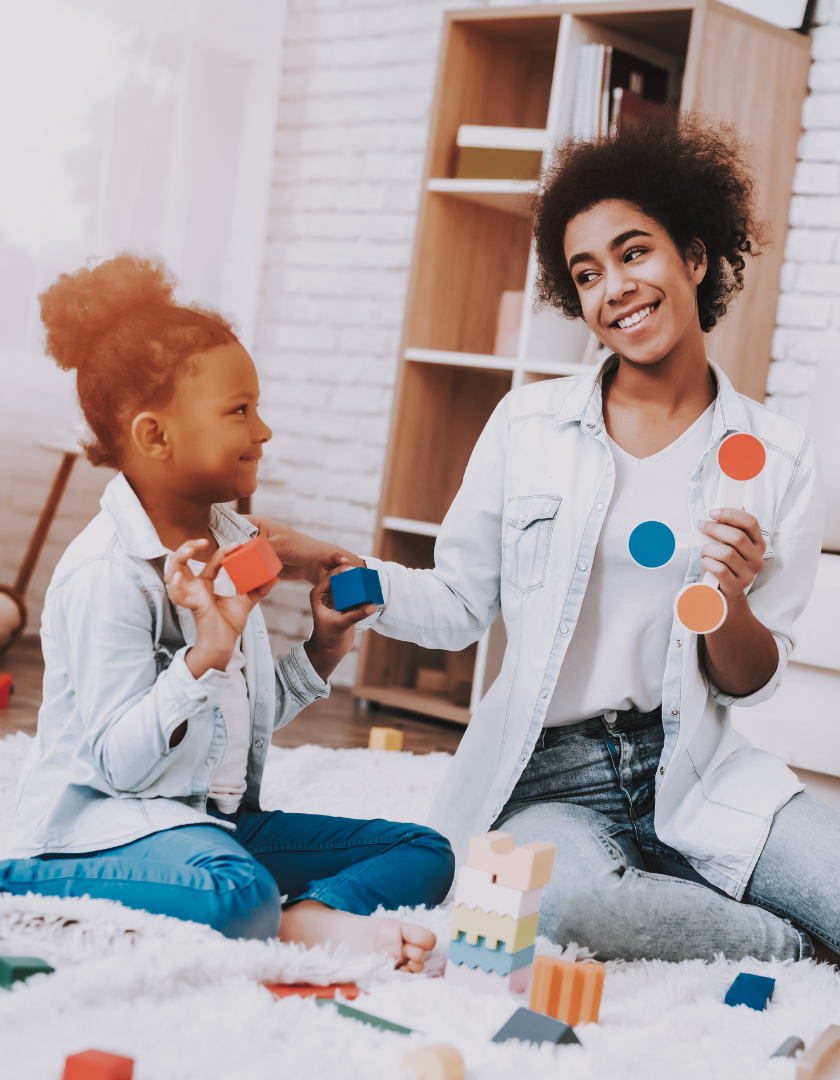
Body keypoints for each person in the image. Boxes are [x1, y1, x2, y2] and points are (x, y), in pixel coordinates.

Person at [255, 115, 839, 963]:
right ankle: (791, 948)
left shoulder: (777, 456)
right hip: (547, 779)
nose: (616, 288)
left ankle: (711, 882)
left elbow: (749, 682)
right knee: (568, 904)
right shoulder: (528, 425)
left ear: (698, 257)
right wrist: (329, 564)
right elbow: (458, 606)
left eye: (636, 253)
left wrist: (730, 601)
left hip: (696, 769)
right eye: (587, 273)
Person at [0, 255, 454, 970]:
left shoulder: (232, 544)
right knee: (237, 895)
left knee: (424, 851)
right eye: (240, 410)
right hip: (113, 824)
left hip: (213, 818)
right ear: (154, 436)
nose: (263, 432)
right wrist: (205, 649)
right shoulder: (106, 574)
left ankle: (308, 916)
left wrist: (321, 646)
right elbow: (120, 767)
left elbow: (236, 724)